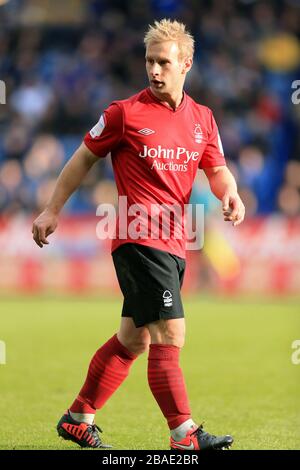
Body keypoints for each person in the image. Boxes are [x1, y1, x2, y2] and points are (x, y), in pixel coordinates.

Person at [32, 19, 245, 451]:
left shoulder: (203, 119)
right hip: (137, 234)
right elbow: (81, 159)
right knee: (171, 333)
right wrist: (53, 208)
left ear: (186, 64)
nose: (154, 70)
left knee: (134, 338)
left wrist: (231, 194)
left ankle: (78, 417)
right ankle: (184, 435)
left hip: (174, 240)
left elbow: (217, 169)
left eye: (164, 62)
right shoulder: (123, 113)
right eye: (149, 61)